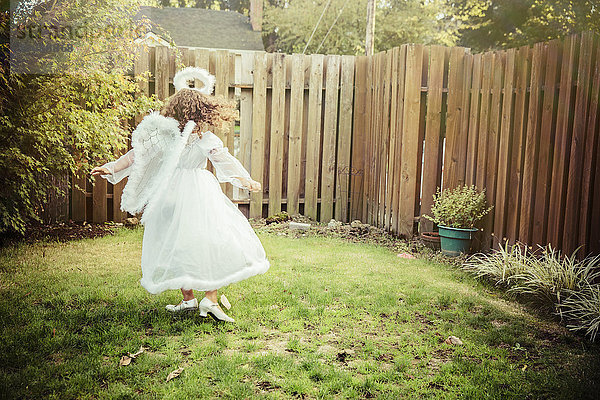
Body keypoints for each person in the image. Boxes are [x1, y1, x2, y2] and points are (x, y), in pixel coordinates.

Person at [91, 67, 270, 322]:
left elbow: (224, 161)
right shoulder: (175, 138)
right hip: (182, 193)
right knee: (185, 241)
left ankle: (209, 299)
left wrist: (245, 179)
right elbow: (137, 156)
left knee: (197, 240)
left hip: (190, 194)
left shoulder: (201, 140)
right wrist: (111, 167)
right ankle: (192, 300)